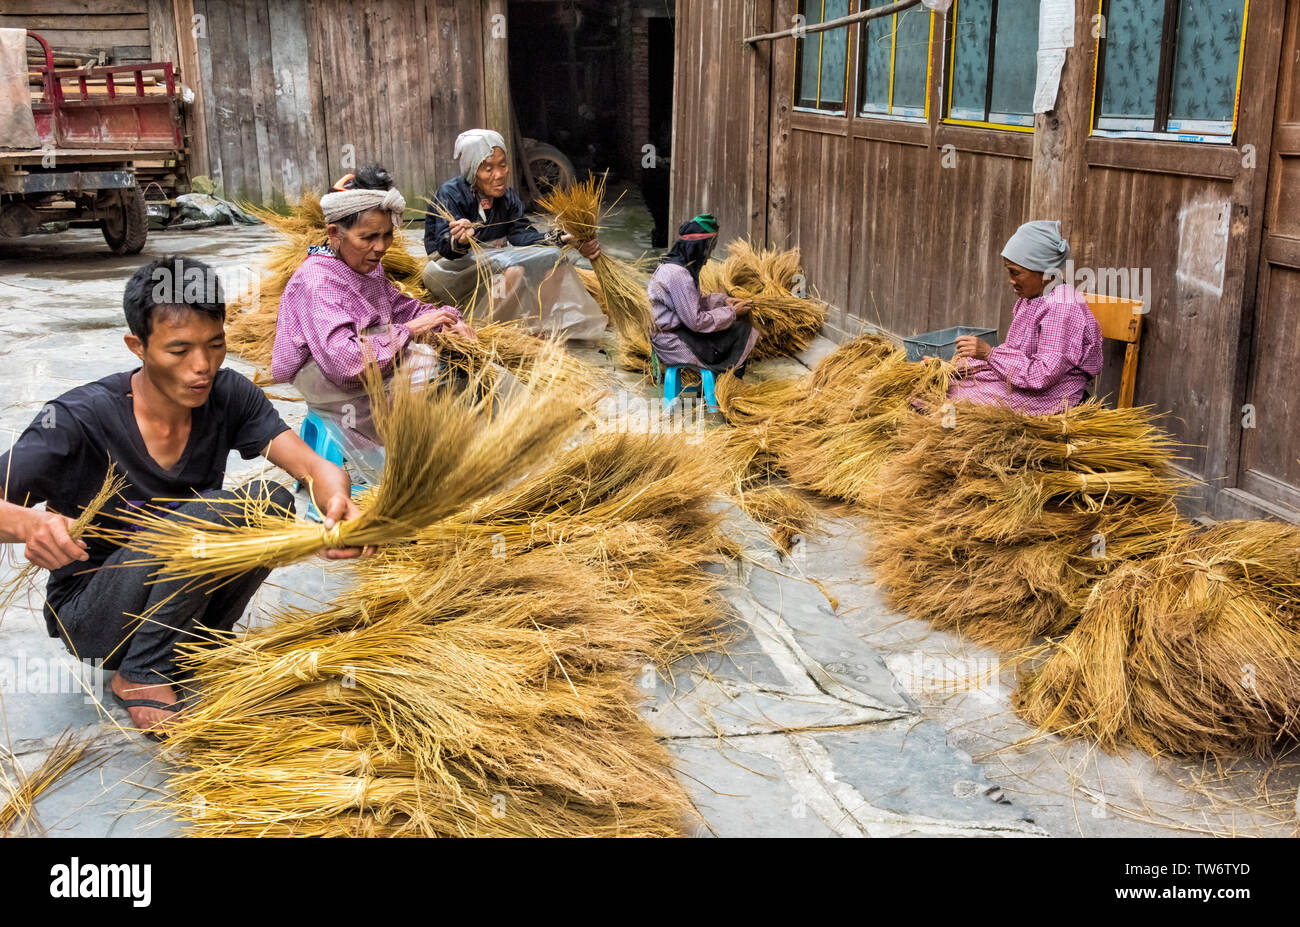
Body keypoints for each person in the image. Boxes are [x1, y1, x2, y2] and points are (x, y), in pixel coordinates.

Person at [0, 256, 365, 739]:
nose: (202, 367)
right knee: (216, 513)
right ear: (138, 347)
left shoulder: (228, 393)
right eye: (179, 350)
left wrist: (337, 505)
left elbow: (315, 466)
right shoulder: (76, 420)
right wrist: (29, 525)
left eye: (215, 346)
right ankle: (141, 672)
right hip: (97, 618)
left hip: (190, 602)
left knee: (271, 499)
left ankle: (203, 636)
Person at [273, 165, 477, 481]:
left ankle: (451, 450)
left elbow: (401, 308)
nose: (380, 247)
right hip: (332, 383)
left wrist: (446, 321)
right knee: (431, 367)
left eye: (386, 235)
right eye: (367, 237)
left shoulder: (366, 269)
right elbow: (346, 361)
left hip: (366, 359)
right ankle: (424, 458)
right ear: (334, 234)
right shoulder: (319, 281)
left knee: (457, 360)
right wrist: (411, 331)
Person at [421, 129, 607, 341]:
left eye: (502, 165)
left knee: (556, 259)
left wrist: (561, 239)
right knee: (513, 270)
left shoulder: (507, 197)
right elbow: (445, 247)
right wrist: (459, 239)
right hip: (448, 270)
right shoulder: (450, 193)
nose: (499, 174)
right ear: (472, 170)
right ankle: (487, 333)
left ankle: (539, 325)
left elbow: (521, 235)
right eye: (488, 168)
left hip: (492, 265)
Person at [948, 220, 1103, 415]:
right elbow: (1015, 352)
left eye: (1016, 272)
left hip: (1056, 391)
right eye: (1009, 271)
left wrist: (990, 354)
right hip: (1026, 379)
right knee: (950, 383)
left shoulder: (1061, 307)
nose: (1010, 280)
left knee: (965, 400)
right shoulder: (1033, 299)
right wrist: (950, 368)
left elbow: (1041, 375)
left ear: (1046, 273)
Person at [647, 214, 759, 376]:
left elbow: (693, 303)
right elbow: (696, 321)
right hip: (673, 343)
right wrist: (732, 313)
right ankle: (724, 390)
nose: (707, 259)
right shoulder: (679, 275)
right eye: (708, 251)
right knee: (740, 331)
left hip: (667, 337)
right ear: (698, 249)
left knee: (730, 329)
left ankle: (717, 388)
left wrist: (724, 301)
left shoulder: (671, 267)